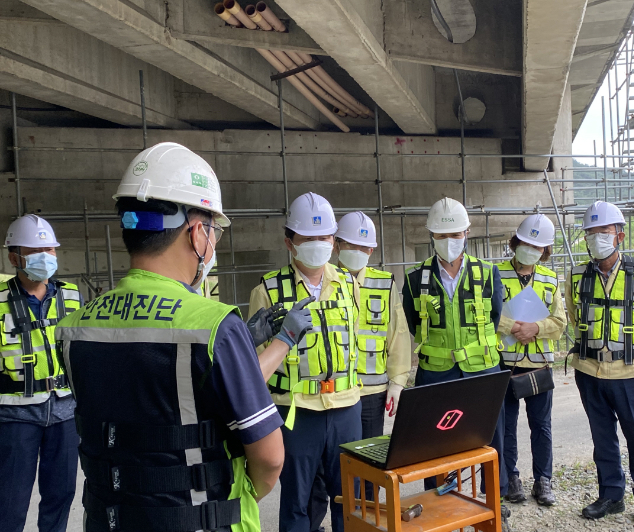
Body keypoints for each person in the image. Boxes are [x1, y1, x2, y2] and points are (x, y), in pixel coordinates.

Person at [56, 142, 312, 532]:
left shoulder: (75, 327)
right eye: (213, 229)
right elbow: (271, 458)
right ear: (196, 232)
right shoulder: (213, 325)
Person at [248, 192, 362, 532]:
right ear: (289, 242)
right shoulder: (267, 290)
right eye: (308, 238)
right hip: (295, 410)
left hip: (346, 406)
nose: (318, 244)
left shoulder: (347, 283)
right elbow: (253, 366)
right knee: (298, 502)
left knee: (350, 500)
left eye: (325, 237)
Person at [402, 197, 509, 517]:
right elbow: (412, 323)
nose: (450, 242)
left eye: (456, 235)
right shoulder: (414, 279)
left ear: (467, 232)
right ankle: (437, 503)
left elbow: (495, 317)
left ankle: (494, 499)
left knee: (490, 440)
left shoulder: (488, 274)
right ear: (431, 236)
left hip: (482, 372)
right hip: (435, 374)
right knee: (434, 443)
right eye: (442, 235)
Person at [307, 211, 411, 531]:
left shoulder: (384, 283)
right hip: (331, 396)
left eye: (365, 247)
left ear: (373, 251)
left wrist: (397, 382)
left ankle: (365, 524)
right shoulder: (321, 280)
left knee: (368, 469)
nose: (359, 251)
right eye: (351, 244)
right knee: (324, 473)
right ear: (337, 245)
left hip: (371, 395)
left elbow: (398, 335)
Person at [566, 201, 634, 529]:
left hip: (631, 374)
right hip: (589, 372)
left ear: (619, 235)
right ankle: (611, 495)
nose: (596, 237)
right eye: (591, 232)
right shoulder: (577, 276)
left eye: (603, 231)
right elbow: (571, 317)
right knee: (603, 437)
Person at [0, 215, 82, 532]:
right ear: (13, 257)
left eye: (49, 249)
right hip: (14, 414)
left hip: (64, 411)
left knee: (61, 495)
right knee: (10, 501)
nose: (45, 257)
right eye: (35, 250)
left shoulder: (72, 295)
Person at [497, 214, 566, 506]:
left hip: (539, 366)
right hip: (505, 364)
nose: (531, 250)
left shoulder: (550, 279)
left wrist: (536, 328)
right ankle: (511, 477)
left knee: (542, 426)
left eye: (537, 247)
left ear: (545, 251)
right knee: (506, 426)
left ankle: (543, 481)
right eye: (526, 243)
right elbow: (486, 314)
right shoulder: (495, 274)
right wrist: (514, 327)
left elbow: (560, 322)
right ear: (516, 243)